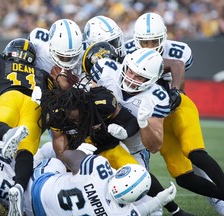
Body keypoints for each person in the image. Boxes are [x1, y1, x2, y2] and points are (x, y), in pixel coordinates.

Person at [127, 12, 224, 215]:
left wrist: (174, 92)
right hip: (157, 118)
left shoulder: (179, 51)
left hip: (178, 107)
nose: (148, 47)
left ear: (163, 37)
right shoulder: (127, 52)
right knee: (182, 176)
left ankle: (221, 200)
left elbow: (177, 66)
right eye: (144, 42)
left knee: (196, 154)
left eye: (153, 41)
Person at [83, 44, 193, 216]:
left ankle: (176, 211)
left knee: (152, 210)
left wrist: (143, 124)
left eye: (139, 77)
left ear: (152, 80)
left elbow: (155, 146)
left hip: (133, 150)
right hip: (98, 140)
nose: (131, 78)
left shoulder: (157, 98)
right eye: (130, 71)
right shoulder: (106, 69)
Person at [0, 37, 53, 216]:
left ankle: (7, 134)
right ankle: (19, 187)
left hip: (10, 97)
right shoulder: (44, 76)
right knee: (26, 151)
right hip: (35, 107)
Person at [23, 148, 177, 215]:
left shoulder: (98, 169)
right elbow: (139, 211)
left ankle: (16, 180)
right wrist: (158, 201)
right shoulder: (123, 213)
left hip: (36, 191)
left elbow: (67, 155)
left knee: (53, 157)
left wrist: (82, 152)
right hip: (45, 213)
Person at [40, 85, 140, 168]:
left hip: (107, 148)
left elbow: (131, 120)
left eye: (81, 117)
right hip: (77, 154)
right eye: (73, 120)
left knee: (135, 172)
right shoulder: (57, 115)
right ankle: (46, 151)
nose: (78, 122)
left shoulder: (102, 104)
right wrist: (76, 156)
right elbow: (62, 156)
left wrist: (125, 133)